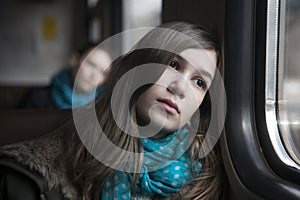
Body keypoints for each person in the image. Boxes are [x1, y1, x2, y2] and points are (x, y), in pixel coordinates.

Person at [0, 21, 227, 199]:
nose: (179, 88)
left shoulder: (203, 179)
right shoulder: (30, 176)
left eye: (199, 83)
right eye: (173, 64)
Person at [20, 42, 112, 109]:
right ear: (74, 60)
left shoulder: (105, 107)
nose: (95, 75)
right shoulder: (38, 98)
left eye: (103, 72)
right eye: (91, 64)